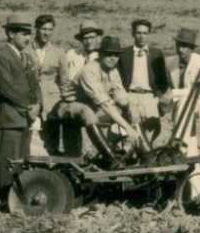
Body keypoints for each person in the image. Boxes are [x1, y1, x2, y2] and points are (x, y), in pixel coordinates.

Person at [0, 13, 40, 200]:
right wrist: (29, 107)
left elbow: (35, 85)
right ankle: (1, 197)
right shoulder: (0, 56)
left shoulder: (28, 57)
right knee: (7, 161)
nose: (27, 38)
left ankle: (17, 197)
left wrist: (38, 105)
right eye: (23, 33)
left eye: (29, 34)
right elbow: (7, 88)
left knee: (22, 161)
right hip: (10, 117)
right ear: (10, 34)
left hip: (26, 117)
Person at [75, 36, 147, 166]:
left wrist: (132, 104)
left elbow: (121, 96)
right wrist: (128, 127)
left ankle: (145, 155)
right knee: (89, 113)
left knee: (134, 108)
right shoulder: (89, 71)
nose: (113, 58)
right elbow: (105, 105)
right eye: (109, 54)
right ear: (101, 54)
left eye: (116, 55)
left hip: (93, 109)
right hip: (71, 108)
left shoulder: (113, 71)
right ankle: (111, 159)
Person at [166, 28, 200, 197]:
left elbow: (195, 90)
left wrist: (173, 94)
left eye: (185, 47)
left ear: (192, 48)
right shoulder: (170, 63)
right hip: (180, 108)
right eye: (179, 45)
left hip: (197, 102)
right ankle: (192, 190)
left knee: (187, 143)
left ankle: (194, 190)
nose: (181, 50)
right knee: (190, 146)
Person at [46, 20, 103, 156]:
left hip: (95, 103)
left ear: (98, 38)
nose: (88, 41)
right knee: (70, 128)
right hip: (73, 101)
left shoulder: (103, 57)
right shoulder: (72, 55)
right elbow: (63, 78)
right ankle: (73, 162)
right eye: (85, 38)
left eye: (92, 38)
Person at [118, 19, 169, 128]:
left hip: (149, 97)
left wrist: (159, 95)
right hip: (130, 96)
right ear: (133, 34)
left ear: (149, 34)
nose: (141, 36)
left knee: (150, 131)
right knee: (130, 134)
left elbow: (163, 80)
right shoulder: (123, 54)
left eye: (145, 33)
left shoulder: (156, 54)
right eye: (138, 33)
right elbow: (118, 77)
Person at [27, 14, 63, 157]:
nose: (46, 33)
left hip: (51, 101)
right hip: (31, 98)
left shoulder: (58, 52)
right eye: (43, 29)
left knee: (50, 135)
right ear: (36, 29)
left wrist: (63, 101)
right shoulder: (25, 49)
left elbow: (64, 80)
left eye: (50, 29)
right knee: (31, 135)